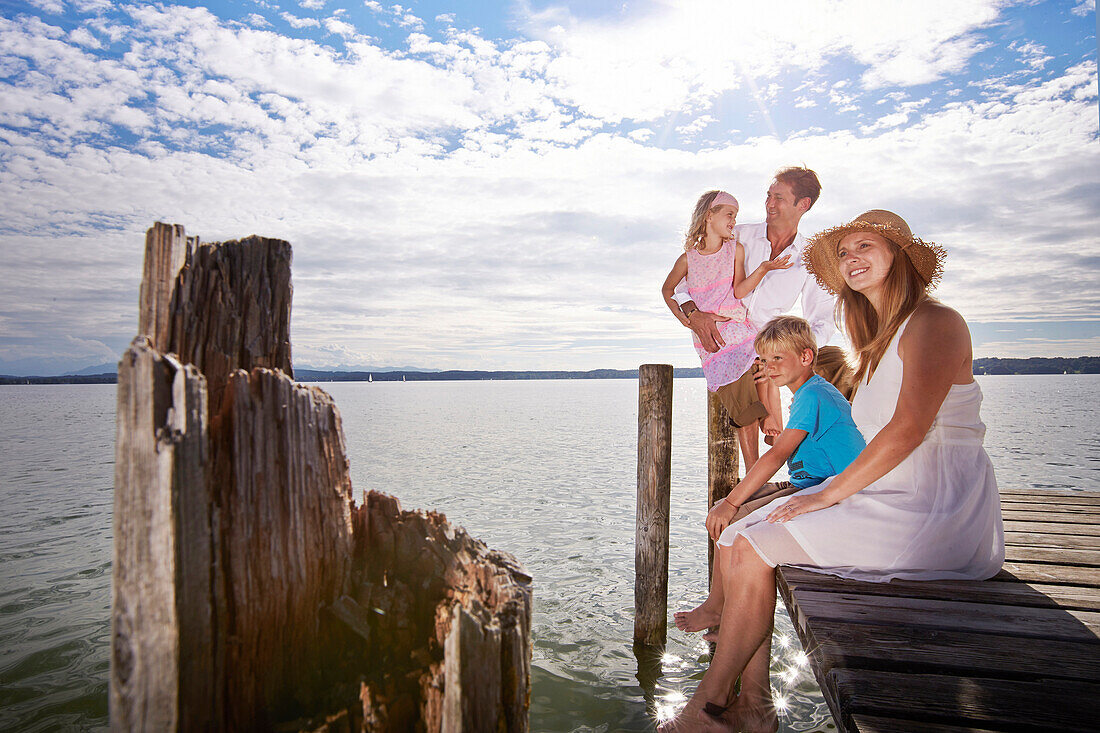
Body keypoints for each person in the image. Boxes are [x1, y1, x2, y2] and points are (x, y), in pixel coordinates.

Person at [659, 210, 1005, 732]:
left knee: (754, 544)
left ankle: (705, 708)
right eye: (843, 253)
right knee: (739, 537)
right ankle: (752, 703)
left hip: (934, 507)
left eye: (865, 246)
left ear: (900, 258)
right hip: (887, 493)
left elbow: (908, 429)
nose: (851, 258)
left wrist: (823, 496)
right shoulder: (878, 344)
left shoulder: (937, 322)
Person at [673, 316, 865, 639]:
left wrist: (734, 502)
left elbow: (776, 457)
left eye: (778, 358)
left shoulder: (813, 395)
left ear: (806, 357)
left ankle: (723, 611)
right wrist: (729, 502)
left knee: (729, 520)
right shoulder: (807, 393)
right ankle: (723, 608)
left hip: (831, 492)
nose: (770, 367)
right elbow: (793, 449)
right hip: (808, 483)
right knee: (722, 510)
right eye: (764, 359)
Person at [672, 167, 834, 469]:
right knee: (746, 398)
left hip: (768, 343)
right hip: (725, 334)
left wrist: (786, 353)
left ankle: (806, 469)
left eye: (779, 198)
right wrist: (695, 315)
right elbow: (685, 280)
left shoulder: (810, 258)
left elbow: (823, 319)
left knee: (804, 392)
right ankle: (756, 473)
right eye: (768, 196)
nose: (769, 204)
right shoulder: (736, 235)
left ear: (804, 205)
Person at [661, 191, 788, 452]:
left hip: (738, 325)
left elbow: (740, 291)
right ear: (709, 215)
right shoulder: (688, 260)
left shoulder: (735, 250)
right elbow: (667, 290)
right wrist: (686, 319)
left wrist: (764, 268)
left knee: (764, 356)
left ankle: (770, 419)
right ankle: (765, 420)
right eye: (730, 214)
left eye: (735, 215)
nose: (734, 221)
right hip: (715, 335)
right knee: (750, 370)